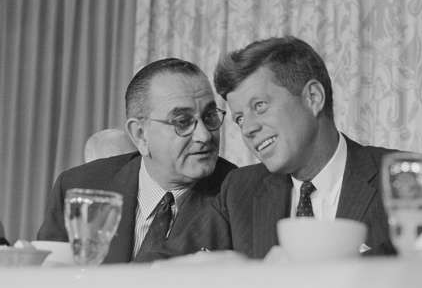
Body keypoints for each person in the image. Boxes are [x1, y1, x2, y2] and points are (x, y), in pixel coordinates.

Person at [208, 36, 398, 258]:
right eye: (239, 118)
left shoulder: (402, 181)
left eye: (259, 106)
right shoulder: (238, 190)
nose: (247, 128)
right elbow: (177, 264)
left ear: (313, 98)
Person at [37, 58, 236, 263]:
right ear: (140, 135)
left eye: (210, 116)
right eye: (183, 122)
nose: (204, 135)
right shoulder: (78, 187)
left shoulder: (238, 196)